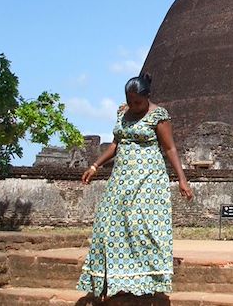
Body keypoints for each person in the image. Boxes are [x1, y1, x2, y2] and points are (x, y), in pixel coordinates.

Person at [77, 74, 193, 299]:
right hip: (121, 177)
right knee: (107, 223)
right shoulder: (123, 113)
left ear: (147, 97)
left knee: (140, 227)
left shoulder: (158, 115)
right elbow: (115, 144)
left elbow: (169, 149)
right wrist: (95, 165)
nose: (133, 106)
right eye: (130, 102)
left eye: (137, 102)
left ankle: (145, 280)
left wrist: (182, 179)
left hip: (148, 178)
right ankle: (109, 279)